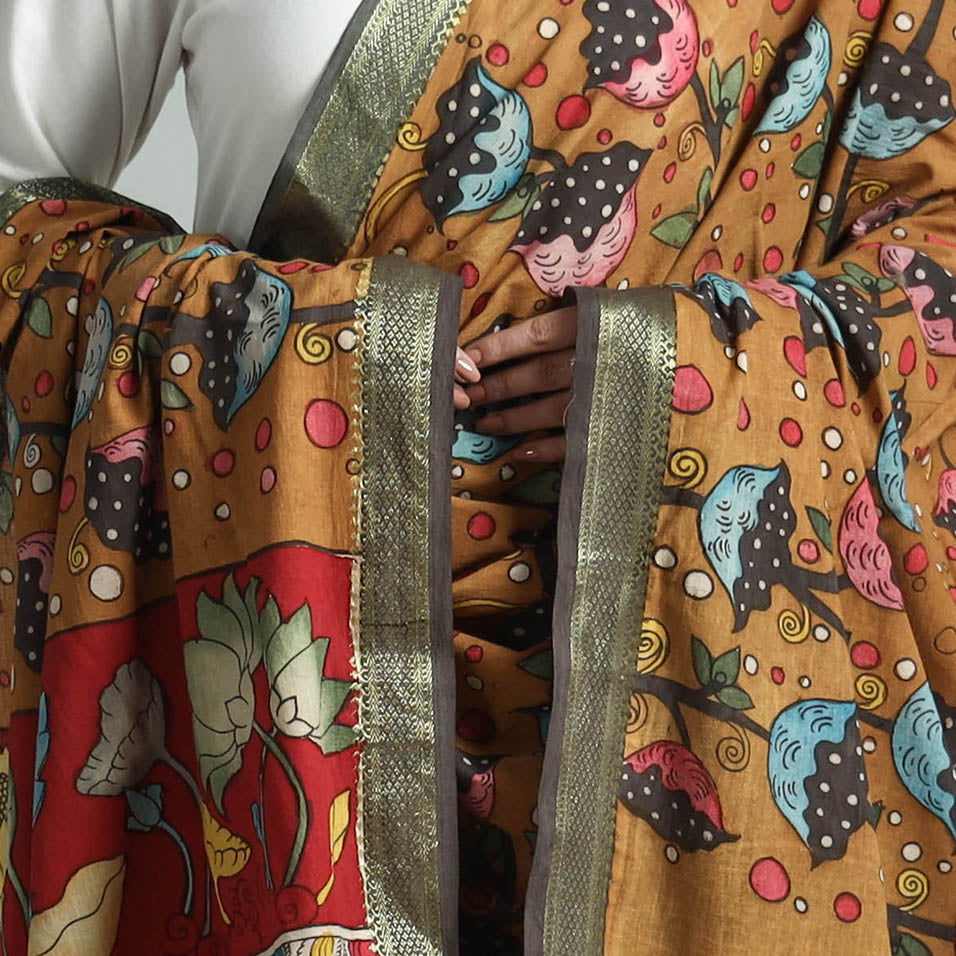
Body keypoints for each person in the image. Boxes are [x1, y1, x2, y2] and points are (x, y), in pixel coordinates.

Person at [0, 0, 953, 953]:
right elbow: (14, 221)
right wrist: (298, 343)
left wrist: (677, 363)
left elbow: (935, 263)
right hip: (287, 671)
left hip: (690, 673)